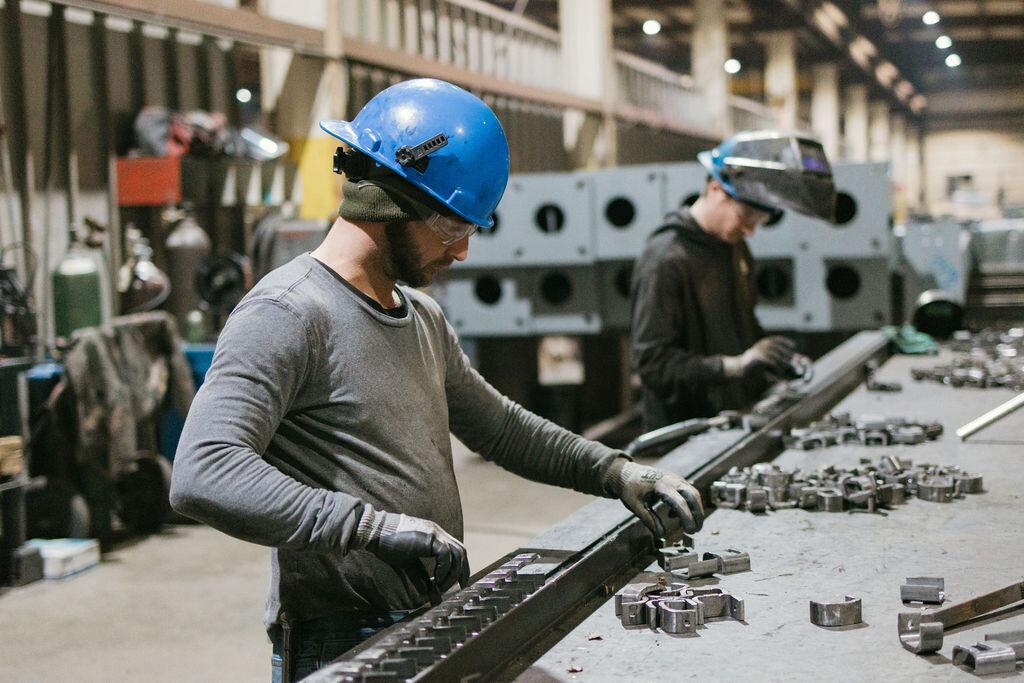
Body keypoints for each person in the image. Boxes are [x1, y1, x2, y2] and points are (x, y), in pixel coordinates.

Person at [168, 78, 704, 683]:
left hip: (430, 617)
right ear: (390, 202)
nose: (462, 252)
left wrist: (615, 472)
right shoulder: (288, 312)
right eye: (452, 228)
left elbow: (502, 428)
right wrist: (371, 527)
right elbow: (205, 471)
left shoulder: (421, 316)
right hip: (340, 638)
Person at [630, 131, 836, 432]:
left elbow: (740, 327)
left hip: (731, 420)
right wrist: (734, 366)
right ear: (716, 189)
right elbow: (652, 364)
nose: (750, 231)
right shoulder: (665, 260)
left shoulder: (733, 247)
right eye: (746, 217)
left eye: (759, 222)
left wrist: (771, 360)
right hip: (683, 432)